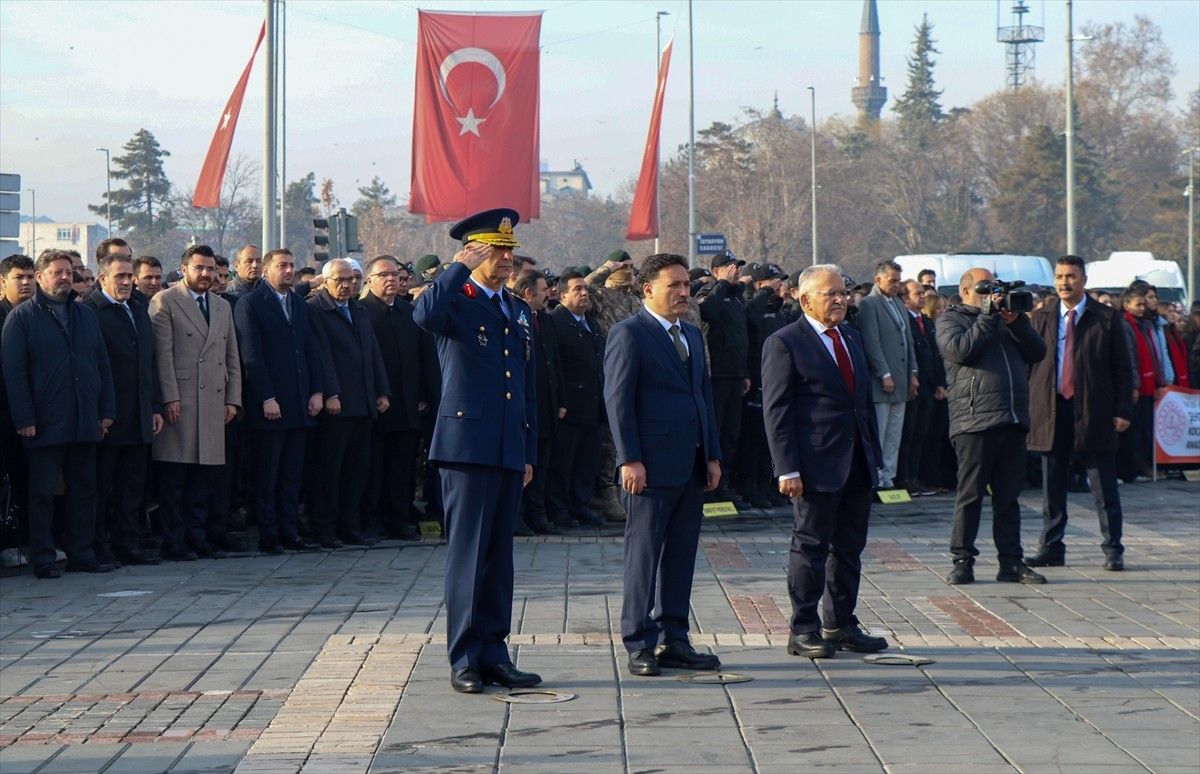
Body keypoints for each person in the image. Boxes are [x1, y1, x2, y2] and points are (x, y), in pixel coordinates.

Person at [413, 209, 540, 694]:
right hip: (467, 446)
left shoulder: (517, 308)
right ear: (472, 252)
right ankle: (464, 659)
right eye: (496, 251)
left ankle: (494, 653)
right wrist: (457, 269)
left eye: (509, 251)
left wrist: (528, 450)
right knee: (468, 556)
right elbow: (423, 315)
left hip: (508, 444)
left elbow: (526, 385)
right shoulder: (455, 299)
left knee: (498, 559)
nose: (507, 259)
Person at [604, 253, 723, 676]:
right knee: (644, 555)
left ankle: (675, 638)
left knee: (681, 555)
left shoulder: (690, 332)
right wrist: (630, 459)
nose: (683, 292)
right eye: (674, 285)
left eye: (686, 284)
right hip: (649, 467)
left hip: (690, 462)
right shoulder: (629, 333)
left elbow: (702, 396)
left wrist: (711, 454)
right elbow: (618, 401)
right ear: (648, 288)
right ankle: (639, 642)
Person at [762, 265, 887, 659]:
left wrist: (874, 455)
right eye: (830, 293)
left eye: (843, 292)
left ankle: (840, 624)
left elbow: (862, 403)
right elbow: (777, 411)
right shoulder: (785, 342)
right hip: (814, 464)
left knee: (849, 547)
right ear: (805, 300)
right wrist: (787, 468)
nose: (840, 299)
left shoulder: (850, 336)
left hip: (856, 461)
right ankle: (803, 628)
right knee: (811, 546)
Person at [1, 250, 116, 578]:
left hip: (84, 417)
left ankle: (82, 554)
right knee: (42, 494)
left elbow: (102, 364)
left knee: (85, 491)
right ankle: (43, 558)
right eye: (57, 272)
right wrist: (24, 418)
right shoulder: (22, 318)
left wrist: (106, 410)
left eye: (68, 272)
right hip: (43, 422)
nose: (65, 277)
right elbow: (14, 373)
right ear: (40, 277)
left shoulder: (85, 315)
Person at [937, 268, 1047, 585]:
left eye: (995, 289)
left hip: (1012, 419)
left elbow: (1038, 352)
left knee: (1008, 499)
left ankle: (1010, 563)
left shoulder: (1005, 320)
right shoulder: (951, 319)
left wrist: (1017, 323)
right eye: (985, 289)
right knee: (970, 496)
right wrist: (986, 318)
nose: (993, 296)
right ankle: (962, 561)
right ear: (966, 291)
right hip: (975, 421)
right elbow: (959, 351)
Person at [1026, 256, 1132, 572]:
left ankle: (1113, 549)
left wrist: (1122, 411)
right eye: (1059, 276)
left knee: (1103, 487)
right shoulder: (1041, 317)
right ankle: (1051, 547)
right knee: (1052, 486)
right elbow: (1028, 366)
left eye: (1071, 276)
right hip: (1052, 409)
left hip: (1094, 411)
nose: (1064, 282)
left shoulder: (1106, 318)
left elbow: (1122, 369)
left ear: (1083, 280)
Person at [149, 245, 242, 561]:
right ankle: (174, 542)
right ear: (184, 269)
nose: (206, 274)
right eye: (199, 268)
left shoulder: (221, 306)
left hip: (214, 401)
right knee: (175, 479)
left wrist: (233, 399)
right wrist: (169, 396)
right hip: (181, 402)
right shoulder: (165, 300)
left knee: (204, 480)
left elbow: (231, 356)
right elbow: (161, 355)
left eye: (210, 268)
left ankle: (198, 537)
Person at [233, 248, 325, 554]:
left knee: (291, 475)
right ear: (266, 270)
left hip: (299, 403)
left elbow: (309, 349)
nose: (288, 270)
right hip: (270, 405)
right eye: (282, 265)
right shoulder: (250, 303)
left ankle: (290, 530)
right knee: (267, 474)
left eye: (292, 265)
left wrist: (317, 391)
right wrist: (266, 397)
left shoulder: (298, 303)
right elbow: (251, 356)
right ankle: (269, 534)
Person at [83, 252, 164, 566]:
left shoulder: (138, 309)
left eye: (130, 276)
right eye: (120, 276)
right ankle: (98, 546)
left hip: (139, 415)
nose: (127, 282)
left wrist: (154, 406)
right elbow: (91, 367)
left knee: (132, 487)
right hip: (109, 417)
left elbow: (149, 363)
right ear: (103, 278)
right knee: (101, 487)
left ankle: (128, 544)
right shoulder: (90, 311)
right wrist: (101, 412)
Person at [308, 259, 390, 547]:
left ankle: (350, 525)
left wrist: (382, 391)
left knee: (357, 470)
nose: (347, 285)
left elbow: (373, 353)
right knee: (329, 470)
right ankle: (324, 528)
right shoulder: (315, 309)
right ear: (325, 281)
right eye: (340, 280)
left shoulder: (358, 309)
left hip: (363, 402)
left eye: (352, 279)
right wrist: (331, 393)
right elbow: (321, 355)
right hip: (337, 405)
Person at [361, 255, 436, 541]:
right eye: (384, 275)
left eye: (395, 275)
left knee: (401, 467)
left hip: (407, 404)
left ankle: (398, 518)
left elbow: (424, 358)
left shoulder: (409, 312)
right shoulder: (362, 312)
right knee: (373, 467)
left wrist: (424, 394)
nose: (391, 279)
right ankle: (371, 520)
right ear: (370, 280)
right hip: (377, 404)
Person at [548, 270, 606, 528]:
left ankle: (580, 505)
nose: (584, 293)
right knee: (563, 462)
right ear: (563, 296)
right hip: (569, 406)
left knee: (586, 461)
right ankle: (559, 508)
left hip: (593, 405)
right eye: (577, 289)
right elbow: (553, 366)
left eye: (585, 289)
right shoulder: (555, 322)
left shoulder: (592, 323)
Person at [856, 259, 918, 490]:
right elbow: (872, 342)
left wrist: (913, 372)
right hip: (882, 381)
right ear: (878, 279)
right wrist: (884, 373)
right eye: (892, 281)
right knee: (880, 433)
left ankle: (889, 478)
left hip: (902, 379)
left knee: (894, 434)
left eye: (898, 281)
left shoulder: (899, 304)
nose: (896, 285)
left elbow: (908, 341)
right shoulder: (869, 304)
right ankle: (877, 479)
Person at [699, 250, 751, 508]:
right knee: (715, 432)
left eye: (737, 266)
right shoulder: (710, 293)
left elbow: (742, 339)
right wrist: (720, 284)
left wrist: (745, 373)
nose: (736, 271)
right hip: (716, 375)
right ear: (717, 271)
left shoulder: (736, 298)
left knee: (731, 434)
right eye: (730, 267)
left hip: (735, 375)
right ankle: (708, 487)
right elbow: (707, 313)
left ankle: (724, 485)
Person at [514, 270, 564, 536]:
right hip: (522, 406)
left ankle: (537, 514)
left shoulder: (546, 319)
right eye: (544, 290)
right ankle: (518, 516)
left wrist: (560, 400)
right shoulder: (516, 317)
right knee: (522, 466)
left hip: (545, 407)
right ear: (528, 292)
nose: (549, 294)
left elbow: (554, 363)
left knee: (541, 466)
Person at [0, 254, 36, 568]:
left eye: (29, 276)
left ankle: (27, 542)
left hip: (33, 415)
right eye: (18, 277)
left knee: (29, 481)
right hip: (4, 414)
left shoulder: (38, 315)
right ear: (3, 282)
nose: (25, 283)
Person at [897, 280, 936, 496]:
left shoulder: (926, 321)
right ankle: (904, 478)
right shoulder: (906, 320)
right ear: (905, 298)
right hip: (912, 384)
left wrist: (939, 383)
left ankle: (915, 476)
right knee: (908, 434)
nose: (923, 297)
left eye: (923, 293)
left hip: (928, 385)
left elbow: (935, 354)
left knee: (922, 434)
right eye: (917, 293)